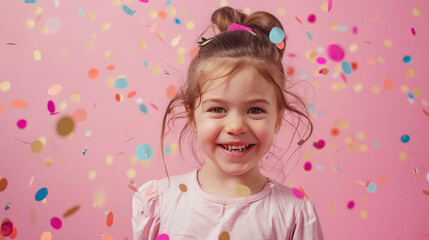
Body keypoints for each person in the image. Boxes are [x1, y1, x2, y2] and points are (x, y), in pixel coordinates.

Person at [132, 6, 324, 240]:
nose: (235, 126)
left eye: (255, 110)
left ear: (278, 119)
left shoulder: (293, 212)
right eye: (217, 109)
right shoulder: (160, 204)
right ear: (192, 116)